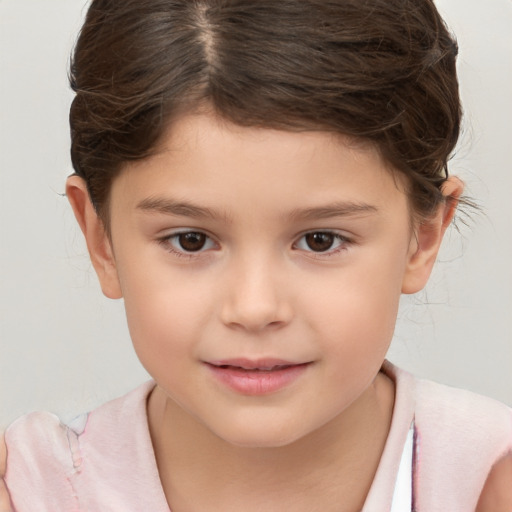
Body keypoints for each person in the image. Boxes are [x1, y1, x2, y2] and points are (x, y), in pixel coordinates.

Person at [1, 0, 511, 510]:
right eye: (191, 240)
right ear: (101, 240)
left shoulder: (489, 475)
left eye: (320, 240)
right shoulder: (29, 491)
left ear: (422, 237)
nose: (254, 308)